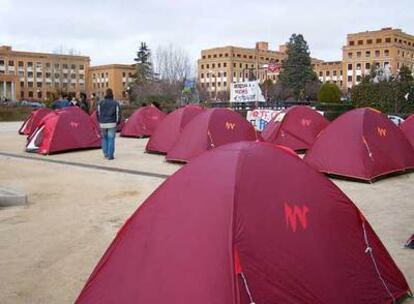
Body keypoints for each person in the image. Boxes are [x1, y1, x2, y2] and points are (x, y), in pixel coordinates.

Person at [97, 88, 121, 160]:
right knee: (111, 139)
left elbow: (98, 113)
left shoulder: (100, 103)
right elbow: (118, 113)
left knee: (104, 138)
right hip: (112, 123)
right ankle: (110, 155)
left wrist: (100, 120)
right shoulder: (115, 103)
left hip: (103, 123)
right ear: (112, 94)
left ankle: (105, 153)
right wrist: (117, 122)